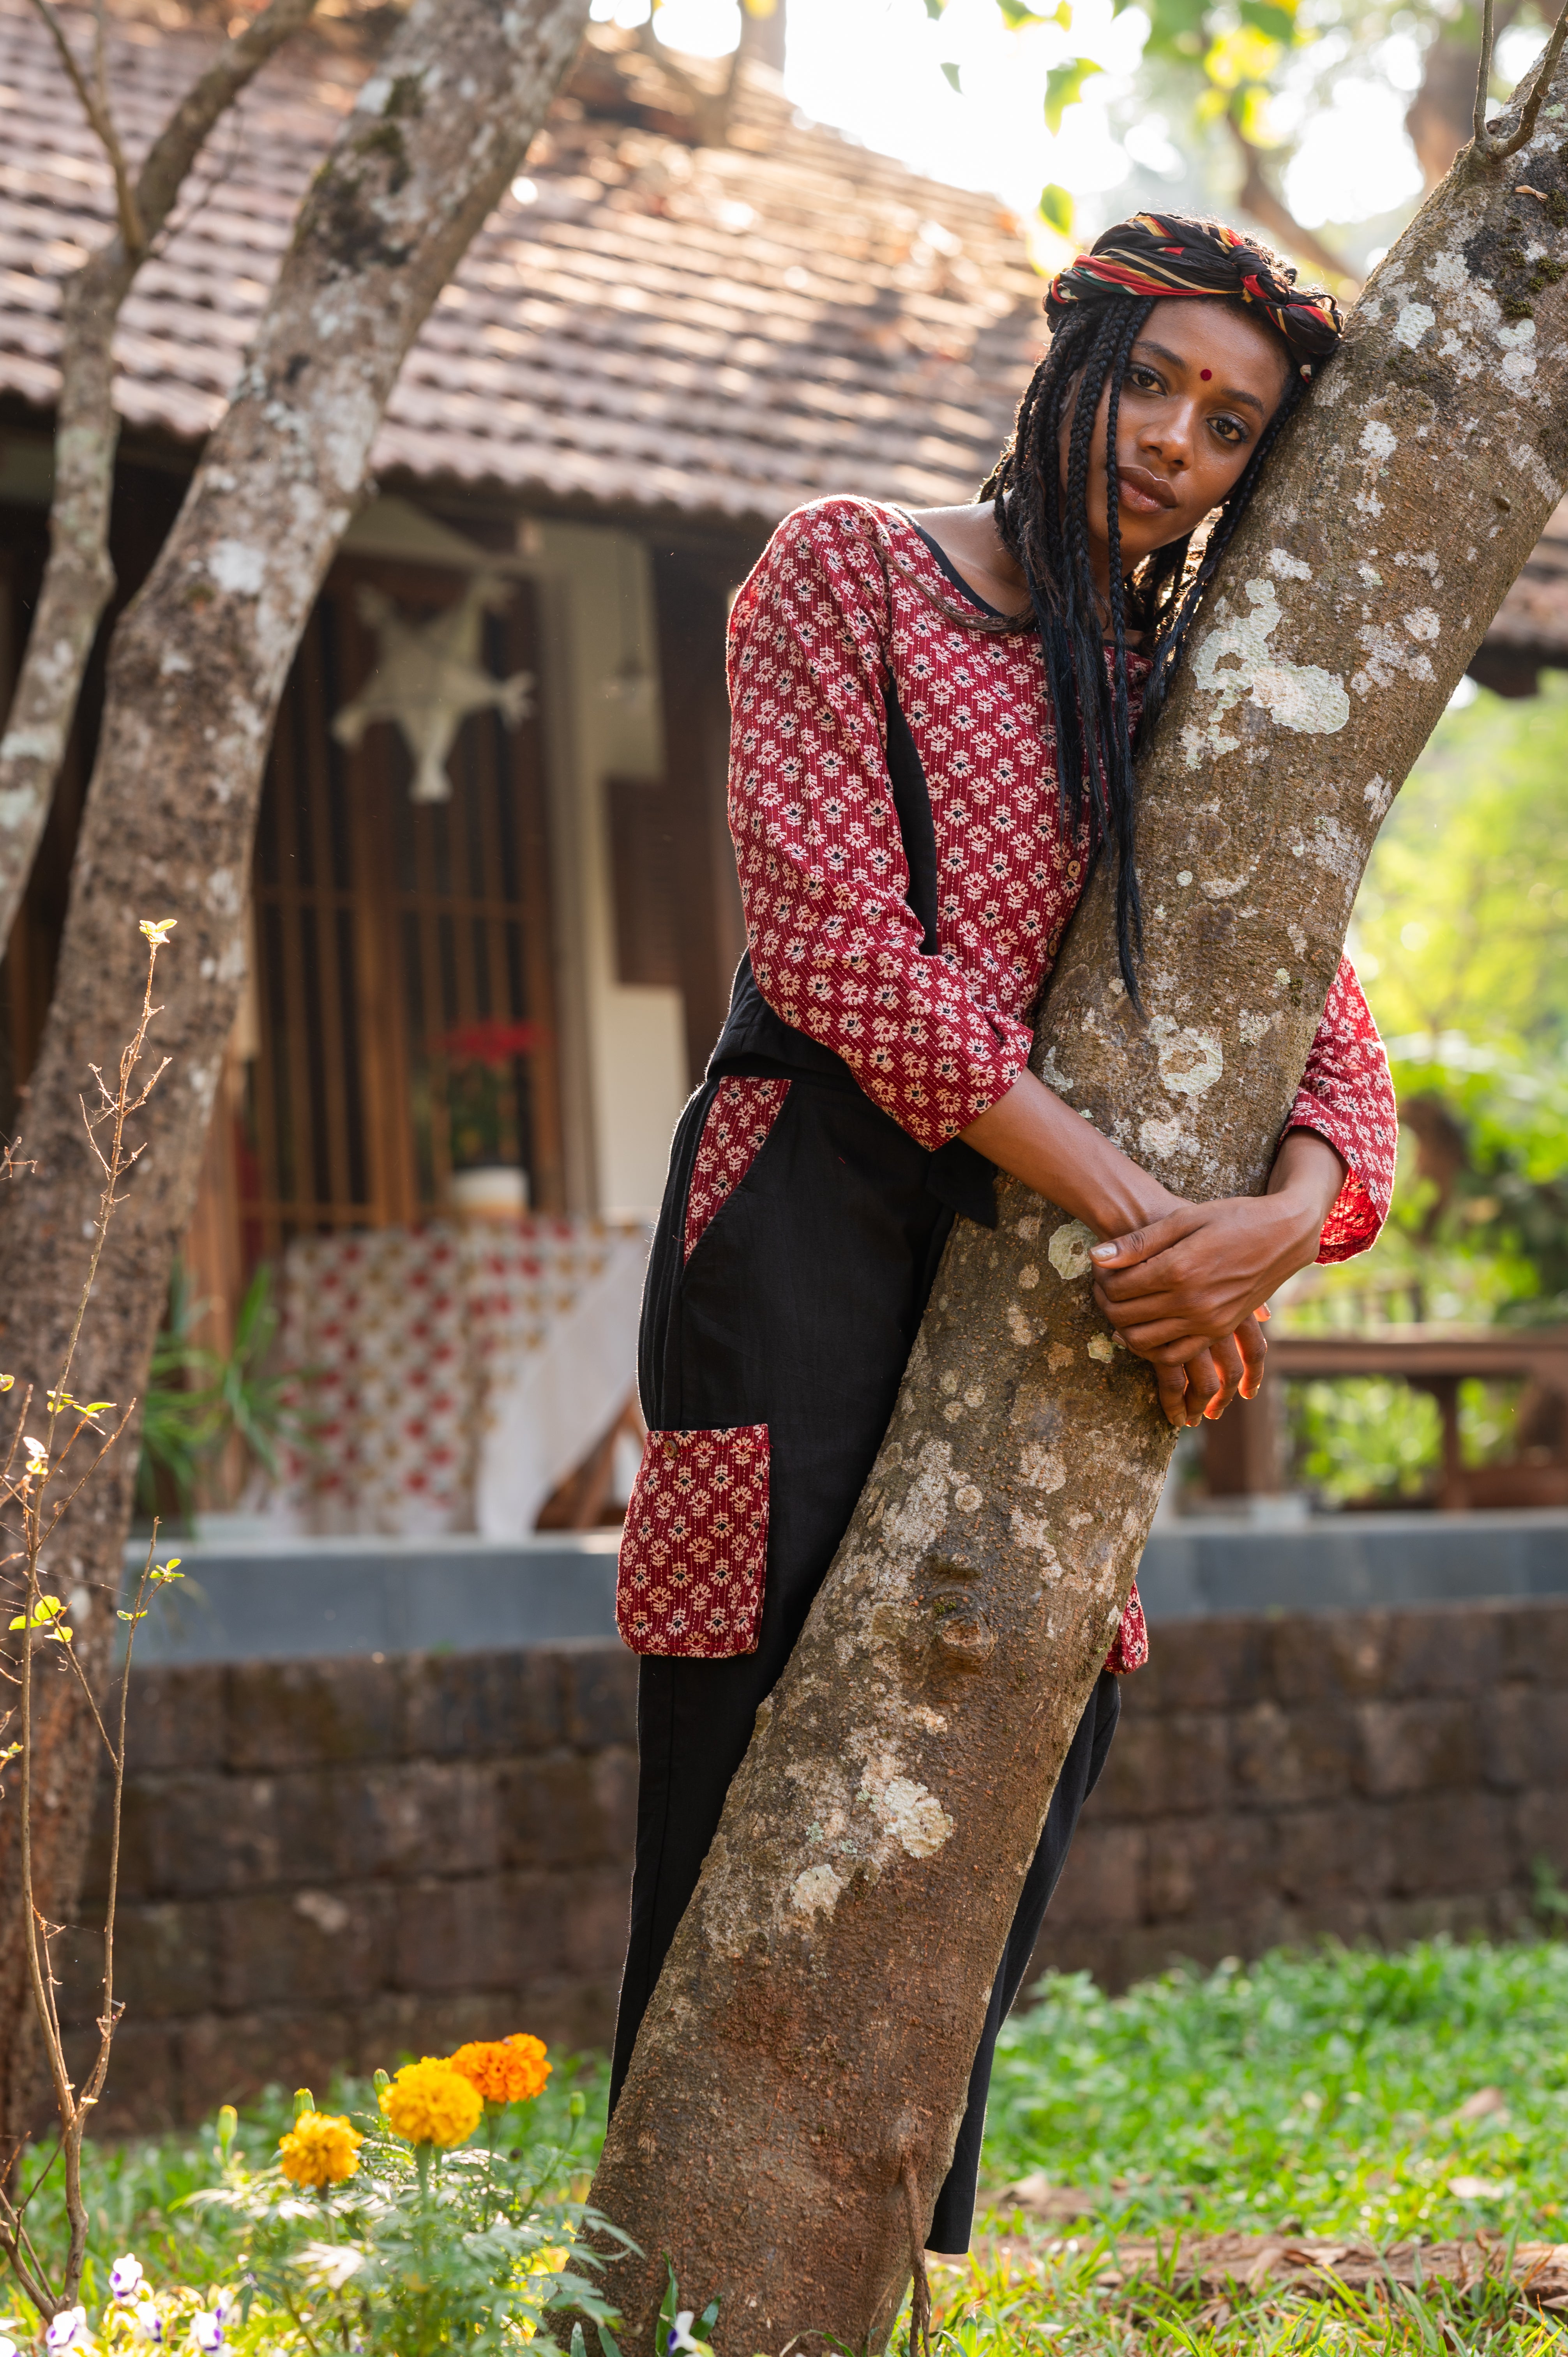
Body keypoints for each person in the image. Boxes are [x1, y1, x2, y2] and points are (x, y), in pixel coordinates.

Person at [609, 212, 1397, 2254]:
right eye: (1150, 381)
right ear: (1069, 362)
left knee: (1020, 1706)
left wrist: (1274, 1233)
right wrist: (1156, 1217)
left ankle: (882, 2251)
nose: (1170, 445)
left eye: (1229, 427)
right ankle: (686, 2267)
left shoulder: (1202, 689)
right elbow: (839, 948)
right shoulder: (844, 570)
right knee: (756, 1715)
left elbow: (1336, 1033)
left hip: (1065, 1266)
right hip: (804, 1205)